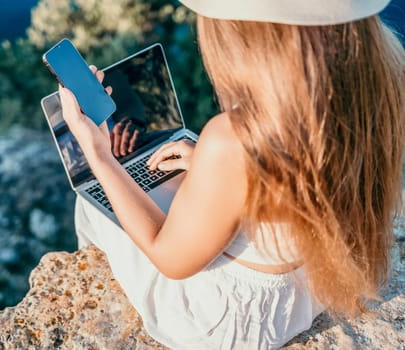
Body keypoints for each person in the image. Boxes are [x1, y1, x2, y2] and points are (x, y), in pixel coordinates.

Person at [58, 0, 405, 348]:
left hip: (233, 323)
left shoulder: (233, 139)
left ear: (241, 34)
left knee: (91, 201)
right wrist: (222, 174)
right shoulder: (381, 80)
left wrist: (101, 155)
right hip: (307, 287)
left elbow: (171, 260)